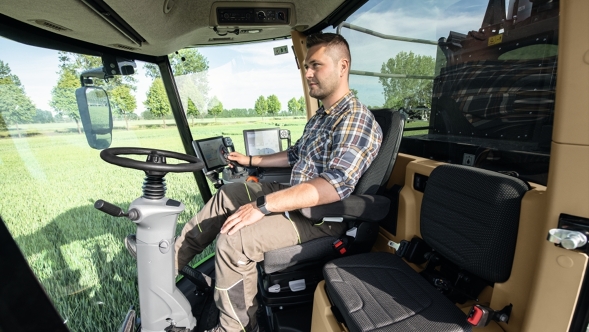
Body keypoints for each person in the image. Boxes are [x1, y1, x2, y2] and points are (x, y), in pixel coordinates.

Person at [174, 32, 383, 332]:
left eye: (316, 65)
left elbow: (333, 185)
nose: (308, 73)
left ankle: (238, 327)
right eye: (306, 66)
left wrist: (263, 206)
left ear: (342, 67)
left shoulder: (355, 118)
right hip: (294, 195)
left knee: (234, 241)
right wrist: (249, 161)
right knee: (228, 195)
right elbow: (295, 154)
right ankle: (170, 265)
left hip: (320, 215)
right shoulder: (322, 117)